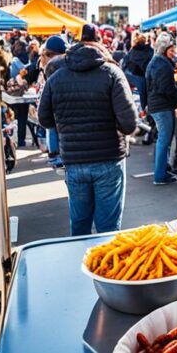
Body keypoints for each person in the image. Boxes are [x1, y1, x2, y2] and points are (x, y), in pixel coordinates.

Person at [38, 24, 138, 235]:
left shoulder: (56, 78)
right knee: (108, 229)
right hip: (109, 158)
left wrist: (66, 126)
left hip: (75, 161)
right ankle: (106, 267)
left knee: (80, 226)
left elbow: (44, 119)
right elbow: (129, 123)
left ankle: (79, 266)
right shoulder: (111, 72)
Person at [144, 34, 177, 185]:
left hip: (156, 105)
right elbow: (167, 89)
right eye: (171, 49)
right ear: (164, 49)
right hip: (162, 107)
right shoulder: (163, 65)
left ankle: (163, 170)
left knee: (162, 139)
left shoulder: (154, 62)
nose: (174, 52)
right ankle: (160, 175)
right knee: (164, 140)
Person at [40, 35, 67, 167]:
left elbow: (49, 92)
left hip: (57, 107)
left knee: (52, 128)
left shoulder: (52, 66)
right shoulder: (69, 63)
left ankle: (55, 155)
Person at [123, 34, 154, 111]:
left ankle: (142, 110)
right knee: (146, 95)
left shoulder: (133, 50)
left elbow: (126, 62)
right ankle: (146, 110)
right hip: (145, 75)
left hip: (134, 74)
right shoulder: (150, 50)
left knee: (141, 95)